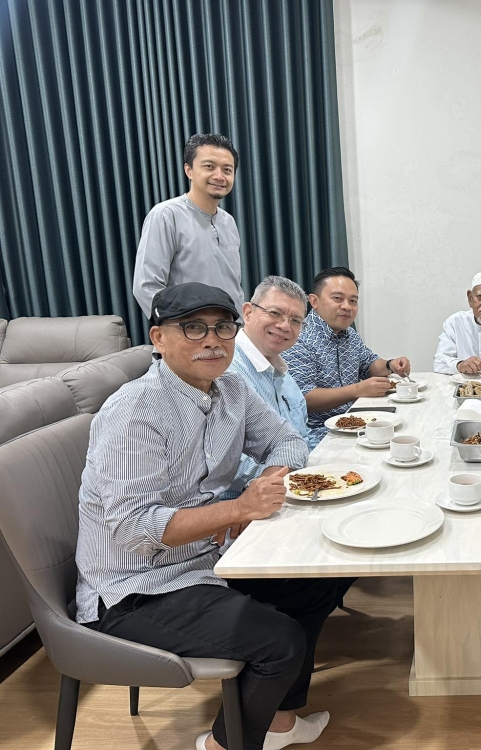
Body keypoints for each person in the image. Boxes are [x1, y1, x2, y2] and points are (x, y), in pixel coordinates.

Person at [75, 282, 351, 750]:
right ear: (158, 338)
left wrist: (264, 486)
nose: (212, 340)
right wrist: (239, 507)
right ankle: (222, 745)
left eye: (223, 328)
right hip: (134, 588)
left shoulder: (231, 388)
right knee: (279, 641)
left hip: (209, 558)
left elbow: (287, 441)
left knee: (321, 578)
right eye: (193, 327)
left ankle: (277, 724)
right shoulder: (135, 412)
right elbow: (133, 529)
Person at [285, 267, 411, 447]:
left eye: (353, 301)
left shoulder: (349, 334)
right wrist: (358, 389)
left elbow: (369, 365)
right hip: (317, 434)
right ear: (314, 301)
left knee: (408, 430)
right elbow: (303, 398)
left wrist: (391, 364)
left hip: (354, 421)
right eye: (337, 298)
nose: (346, 306)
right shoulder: (299, 338)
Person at [133, 133, 245, 319]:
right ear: (189, 170)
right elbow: (146, 286)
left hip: (228, 335)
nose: (219, 176)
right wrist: (180, 328)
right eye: (209, 167)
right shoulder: (166, 215)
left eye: (227, 169)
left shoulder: (228, 222)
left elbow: (233, 288)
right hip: (187, 335)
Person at [225, 275, 311, 498]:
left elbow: (301, 435)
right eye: (275, 313)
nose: (285, 326)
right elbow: (221, 460)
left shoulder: (280, 368)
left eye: (295, 321)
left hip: (293, 482)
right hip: (245, 499)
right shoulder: (226, 369)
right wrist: (286, 476)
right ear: (248, 312)